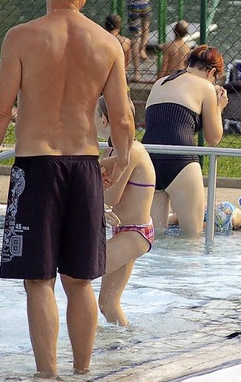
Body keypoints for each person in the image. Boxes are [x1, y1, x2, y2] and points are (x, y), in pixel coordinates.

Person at [0, 0, 135, 378]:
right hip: (83, 167)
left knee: (39, 280)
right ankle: (82, 371)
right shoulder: (107, 43)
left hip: (36, 166)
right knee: (80, 281)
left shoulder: (21, 38)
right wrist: (118, 158)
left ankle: (48, 375)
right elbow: (122, 118)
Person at [142, 45, 228, 235]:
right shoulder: (205, 86)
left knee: (154, 238)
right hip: (180, 160)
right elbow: (214, 138)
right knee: (192, 237)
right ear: (211, 72)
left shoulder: (160, 82)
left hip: (149, 160)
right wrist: (219, 107)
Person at [95, 96, 155, 326]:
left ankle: (82, 343)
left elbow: (110, 197)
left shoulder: (130, 151)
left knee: (77, 276)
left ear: (103, 119)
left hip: (135, 233)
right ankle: (126, 348)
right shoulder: (111, 151)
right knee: (107, 304)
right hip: (125, 232)